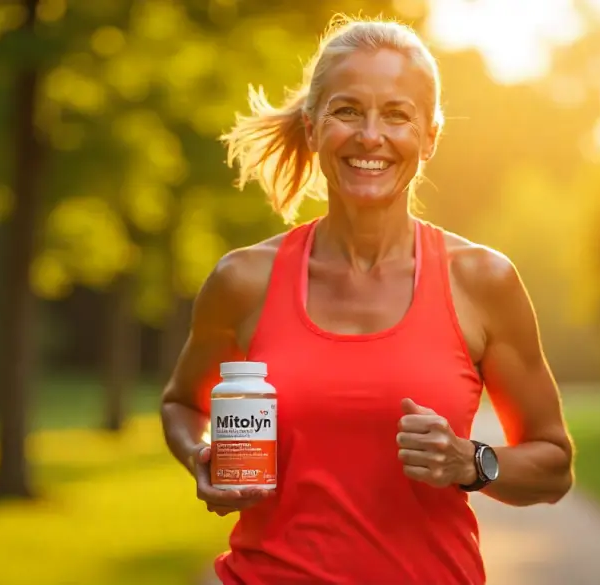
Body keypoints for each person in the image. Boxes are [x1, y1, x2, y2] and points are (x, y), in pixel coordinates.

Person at [161, 14, 575, 585]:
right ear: (312, 128)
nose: (370, 136)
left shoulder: (483, 281)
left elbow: (554, 466)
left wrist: (470, 462)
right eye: (347, 110)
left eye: (397, 115)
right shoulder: (243, 280)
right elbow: (181, 404)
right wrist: (200, 459)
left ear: (430, 136)